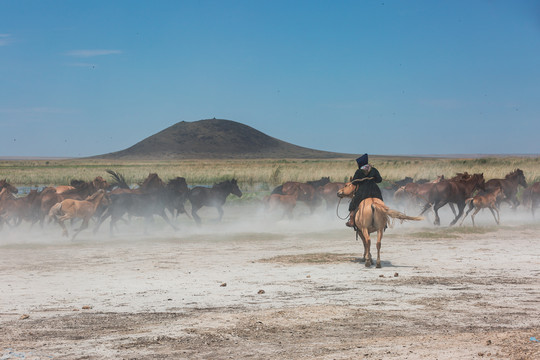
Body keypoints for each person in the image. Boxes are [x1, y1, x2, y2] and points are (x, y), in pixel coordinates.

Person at [346, 153, 383, 227]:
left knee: (352, 204)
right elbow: (379, 180)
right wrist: (373, 179)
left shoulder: (359, 171)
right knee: (381, 203)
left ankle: (352, 221)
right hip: (374, 190)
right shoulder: (374, 170)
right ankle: (383, 221)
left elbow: (355, 182)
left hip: (363, 191)